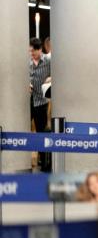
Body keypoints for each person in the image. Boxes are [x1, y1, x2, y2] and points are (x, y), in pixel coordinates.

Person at [29, 38, 52, 171]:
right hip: (28, 101)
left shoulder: (47, 61)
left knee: (41, 132)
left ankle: (44, 162)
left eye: (33, 51)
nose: (31, 53)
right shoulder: (27, 62)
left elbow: (57, 73)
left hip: (41, 101)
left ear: (39, 50)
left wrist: (51, 78)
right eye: (30, 51)